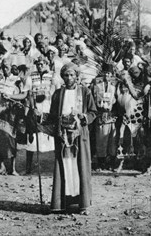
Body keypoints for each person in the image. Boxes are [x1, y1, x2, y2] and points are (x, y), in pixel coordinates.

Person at [44, 62, 97, 214]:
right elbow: (53, 115)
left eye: (72, 75)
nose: (69, 78)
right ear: (62, 77)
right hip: (62, 135)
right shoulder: (58, 94)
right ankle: (63, 203)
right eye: (66, 75)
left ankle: (83, 204)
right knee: (65, 166)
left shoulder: (85, 92)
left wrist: (84, 117)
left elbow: (93, 112)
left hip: (79, 135)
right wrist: (40, 118)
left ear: (76, 76)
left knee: (80, 166)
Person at [25, 56, 57, 175]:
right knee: (32, 137)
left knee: (51, 136)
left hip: (48, 108)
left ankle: (55, 167)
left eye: (42, 64)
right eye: (38, 64)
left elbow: (55, 92)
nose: (40, 66)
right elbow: (29, 94)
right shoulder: (31, 76)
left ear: (47, 64)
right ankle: (28, 167)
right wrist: (33, 108)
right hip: (36, 108)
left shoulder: (52, 76)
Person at [91, 63, 119, 171]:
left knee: (112, 138)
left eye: (109, 73)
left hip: (112, 114)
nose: (107, 75)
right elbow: (93, 97)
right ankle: (101, 162)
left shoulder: (114, 84)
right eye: (105, 73)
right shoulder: (96, 83)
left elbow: (117, 98)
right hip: (101, 113)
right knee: (101, 138)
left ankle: (111, 161)